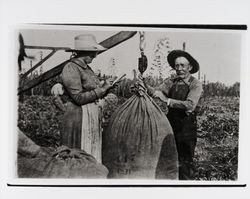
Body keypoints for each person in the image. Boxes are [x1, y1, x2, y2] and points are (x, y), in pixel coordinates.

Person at [144, 50, 203, 180]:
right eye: (177, 66)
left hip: (186, 126)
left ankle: (186, 186)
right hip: (171, 124)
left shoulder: (195, 84)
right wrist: (144, 85)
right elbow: (157, 92)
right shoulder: (172, 82)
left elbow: (190, 105)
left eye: (183, 65)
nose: (179, 69)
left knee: (185, 160)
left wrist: (167, 100)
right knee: (170, 156)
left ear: (190, 67)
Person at [58, 34, 113, 163]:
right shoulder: (71, 68)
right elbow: (78, 98)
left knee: (89, 151)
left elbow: (92, 90)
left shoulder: (86, 68)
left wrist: (106, 87)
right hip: (78, 117)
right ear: (82, 52)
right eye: (92, 53)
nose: (94, 56)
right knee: (78, 153)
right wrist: (101, 89)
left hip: (89, 115)